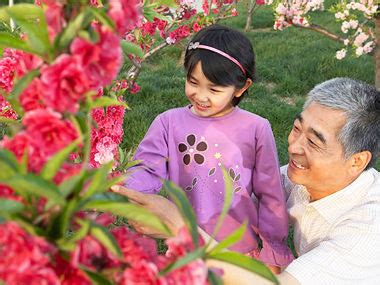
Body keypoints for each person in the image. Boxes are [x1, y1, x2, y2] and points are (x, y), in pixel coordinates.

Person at [113, 77, 380, 284]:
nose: (295, 147)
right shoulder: (298, 179)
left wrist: (179, 227)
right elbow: (247, 203)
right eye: (297, 128)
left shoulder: (366, 229)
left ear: (357, 161)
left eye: (313, 141)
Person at [123, 24, 293, 270]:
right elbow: (146, 168)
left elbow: (271, 195)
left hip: (239, 247)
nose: (201, 96)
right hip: (185, 242)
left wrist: (273, 251)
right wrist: (130, 194)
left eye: (214, 89)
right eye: (193, 82)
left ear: (242, 88)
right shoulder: (168, 123)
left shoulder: (256, 128)